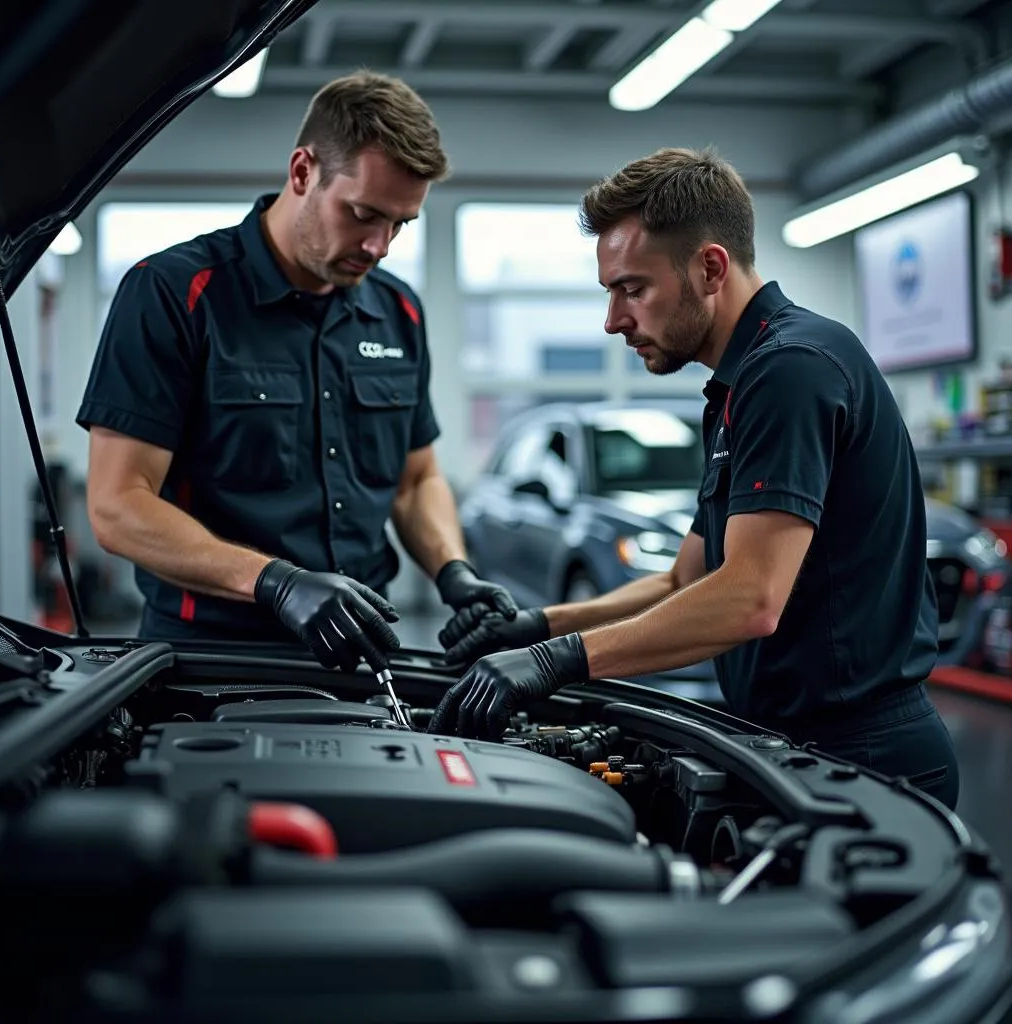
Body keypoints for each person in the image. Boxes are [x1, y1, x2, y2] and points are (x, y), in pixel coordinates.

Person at [431, 146, 960, 811]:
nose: (614, 320)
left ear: (710, 267)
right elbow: (688, 578)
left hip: (866, 758)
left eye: (633, 288)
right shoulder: (739, 385)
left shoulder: (790, 370)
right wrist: (535, 627)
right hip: (794, 744)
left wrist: (556, 661)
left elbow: (749, 598)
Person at [77, 71, 515, 672]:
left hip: (362, 653)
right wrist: (276, 582)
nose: (379, 245)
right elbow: (118, 505)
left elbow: (416, 481)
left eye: (400, 225)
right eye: (363, 214)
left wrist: (452, 570)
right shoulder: (175, 293)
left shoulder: (398, 310)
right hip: (211, 659)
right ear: (303, 172)